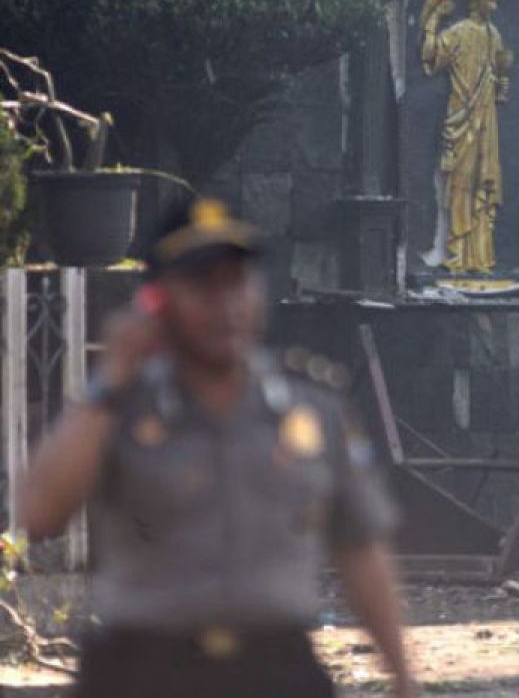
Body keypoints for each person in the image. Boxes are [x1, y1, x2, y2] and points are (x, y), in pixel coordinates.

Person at [19, 197, 417, 698]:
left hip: (277, 670)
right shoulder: (119, 410)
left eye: (237, 281)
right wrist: (110, 381)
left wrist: (403, 677)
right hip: (141, 671)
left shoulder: (313, 410)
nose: (225, 303)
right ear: (158, 300)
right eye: (202, 285)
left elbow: (361, 549)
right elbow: (39, 514)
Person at [421, 0, 513, 274]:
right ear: (476, 0)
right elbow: (433, 57)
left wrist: (501, 81)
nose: (493, 6)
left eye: (496, 0)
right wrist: (433, 19)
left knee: (484, 182)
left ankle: (481, 255)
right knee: (460, 182)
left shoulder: (493, 34)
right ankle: (458, 251)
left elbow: (499, 75)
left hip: (486, 119)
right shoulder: (459, 32)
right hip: (461, 115)